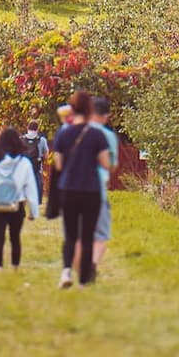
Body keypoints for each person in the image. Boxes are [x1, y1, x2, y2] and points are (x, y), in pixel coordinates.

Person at [50, 90, 112, 288]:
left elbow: (58, 164)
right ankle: (84, 282)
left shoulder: (63, 133)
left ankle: (66, 272)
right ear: (89, 109)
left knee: (70, 235)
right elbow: (105, 163)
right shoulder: (96, 134)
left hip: (68, 189)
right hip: (90, 190)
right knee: (86, 237)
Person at [0, 129, 41, 270]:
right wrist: (33, 211)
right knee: (15, 238)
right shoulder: (24, 163)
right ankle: (14, 267)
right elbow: (31, 188)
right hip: (16, 205)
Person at [88, 96, 120, 268]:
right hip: (97, 188)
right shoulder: (108, 136)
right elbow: (112, 165)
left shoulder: (74, 132)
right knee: (100, 234)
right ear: (105, 115)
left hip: (73, 189)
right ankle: (92, 263)